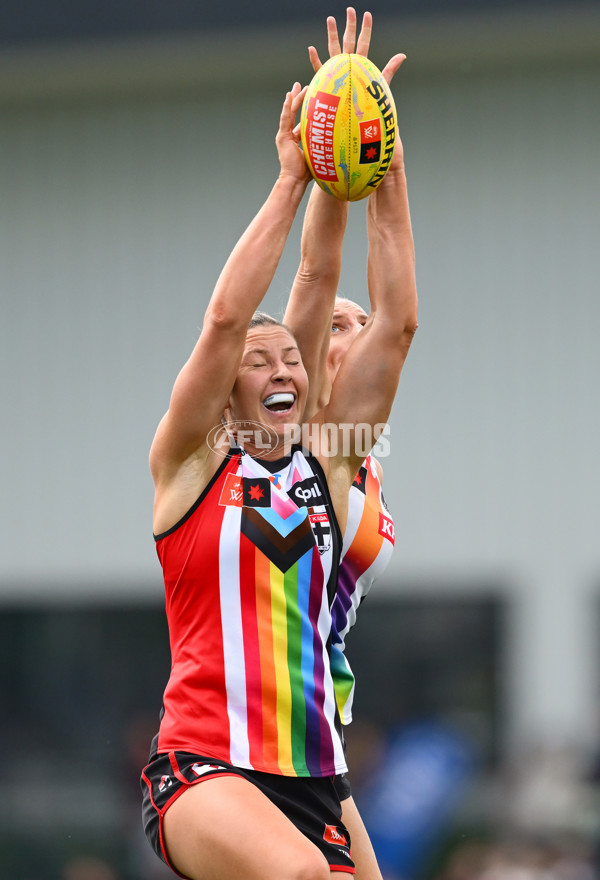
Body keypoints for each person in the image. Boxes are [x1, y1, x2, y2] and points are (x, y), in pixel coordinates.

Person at [140, 26, 417, 880]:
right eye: (259, 363)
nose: (283, 362)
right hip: (205, 765)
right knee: (299, 878)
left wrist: (385, 161)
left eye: (291, 355)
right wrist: (299, 174)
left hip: (315, 769)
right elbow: (243, 314)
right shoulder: (193, 464)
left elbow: (397, 324)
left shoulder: (328, 457)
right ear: (225, 390)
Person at [283, 9, 416, 880]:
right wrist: (338, 160)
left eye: (355, 326)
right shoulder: (294, 427)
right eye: (341, 326)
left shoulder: (355, 446)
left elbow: (397, 318)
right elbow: (315, 276)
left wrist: (388, 152)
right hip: (262, 745)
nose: (358, 330)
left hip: (319, 745)